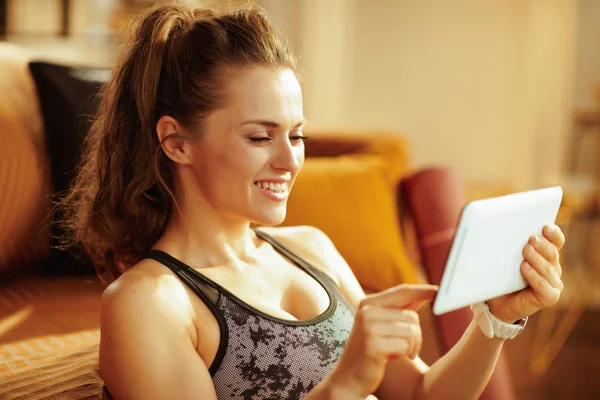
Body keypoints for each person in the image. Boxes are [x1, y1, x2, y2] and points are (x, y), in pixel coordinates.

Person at [58, 3, 566, 400]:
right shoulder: (147, 303)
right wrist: (343, 386)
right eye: (260, 137)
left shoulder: (311, 248)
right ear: (176, 142)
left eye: (296, 136)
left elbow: (420, 393)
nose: (289, 161)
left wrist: (494, 319)